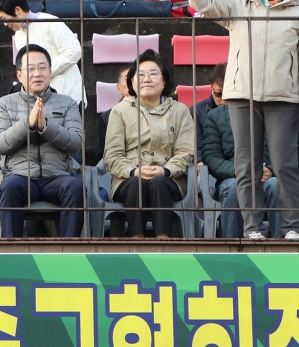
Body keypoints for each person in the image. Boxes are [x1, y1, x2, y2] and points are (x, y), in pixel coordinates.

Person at [182, 0, 299, 240]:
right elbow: (202, 3)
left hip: (283, 98)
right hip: (241, 97)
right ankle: (252, 228)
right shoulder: (238, 5)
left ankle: (293, 228)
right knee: (246, 166)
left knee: (285, 164)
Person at [0, 44, 85, 238]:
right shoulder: (5, 104)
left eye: (42, 67)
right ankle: (11, 251)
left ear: (50, 72)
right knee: (9, 187)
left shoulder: (67, 103)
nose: (37, 73)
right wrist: (28, 123)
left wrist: (45, 127)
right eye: (30, 69)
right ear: (19, 75)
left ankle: (71, 252)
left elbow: (76, 142)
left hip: (57, 176)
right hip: (20, 175)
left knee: (75, 187)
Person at [103, 50, 195, 238]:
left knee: (159, 183)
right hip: (128, 177)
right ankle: (137, 239)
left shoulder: (180, 110)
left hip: (169, 177)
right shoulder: (120, 111)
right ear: (132, 82)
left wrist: (166, 170)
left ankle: (163, 238)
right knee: (136, 184)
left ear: (164, 81)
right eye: (140, 75)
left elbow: (186, 150)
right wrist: (133, 171)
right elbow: (112, 154)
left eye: (153, 74)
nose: (146, 79)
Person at [203, 100, 299, 239]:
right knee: (233, 187)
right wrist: (238, 171)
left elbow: (295, 151)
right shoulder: (215, 116)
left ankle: (283, 244)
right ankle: (232, 245)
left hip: (270, 175)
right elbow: (211, 156)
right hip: (233, 176)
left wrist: (270, 170)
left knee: (276, 185)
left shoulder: (279, 113)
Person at [0, 0, 85, 107]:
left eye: (5, 18)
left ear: (18, 10)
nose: (5, 24)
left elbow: (74, 52)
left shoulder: (50, 22)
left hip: (68, 94)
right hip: (40, 100)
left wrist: (42, 71)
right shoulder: (18, 36)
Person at [192, 63, 227, 166]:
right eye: (219, 93)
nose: (224, 99)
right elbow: (195, 145)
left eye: (229, 94)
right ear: (211, 88)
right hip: (208, 167)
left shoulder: (248, 111)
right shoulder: (197, 111)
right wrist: (199, 161)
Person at [96, 66, 131, 164]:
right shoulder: (107, 117)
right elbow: (104, 154)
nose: (133, 81)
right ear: (119, 88)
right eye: (127, 78)